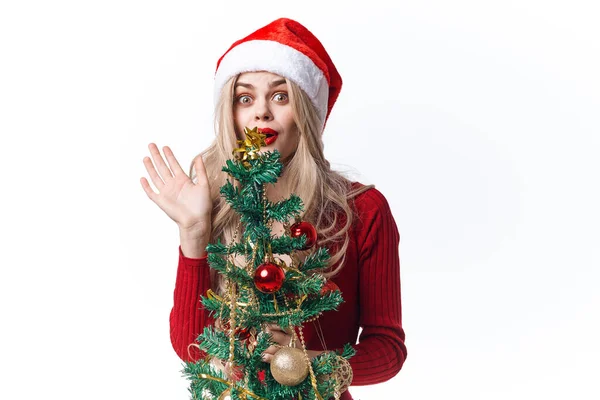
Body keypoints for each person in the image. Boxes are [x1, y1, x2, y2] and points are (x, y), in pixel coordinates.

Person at [140, 18, 406, 400]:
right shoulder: (218, 206)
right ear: (231, 116)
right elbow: (193, 351)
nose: (261, 112)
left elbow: (389, 349)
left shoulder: (362, 210)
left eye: (280, 96)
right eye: (244, 98)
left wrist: (306, 363)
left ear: (306, 112)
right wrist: (194, 233)